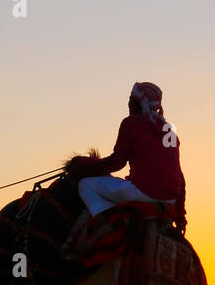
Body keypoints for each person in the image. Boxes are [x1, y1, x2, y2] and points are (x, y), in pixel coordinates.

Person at [67, 82, 187, 233]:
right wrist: (181, 214)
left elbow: (116, 163)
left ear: (137, 102)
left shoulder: (130, 123)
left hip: (144, 192)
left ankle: (107, 226)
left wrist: (83, 165)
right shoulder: (170, 131)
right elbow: (179, 176)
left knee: (86, 185)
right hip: (171, 198)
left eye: (131, 99)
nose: (129, 103)